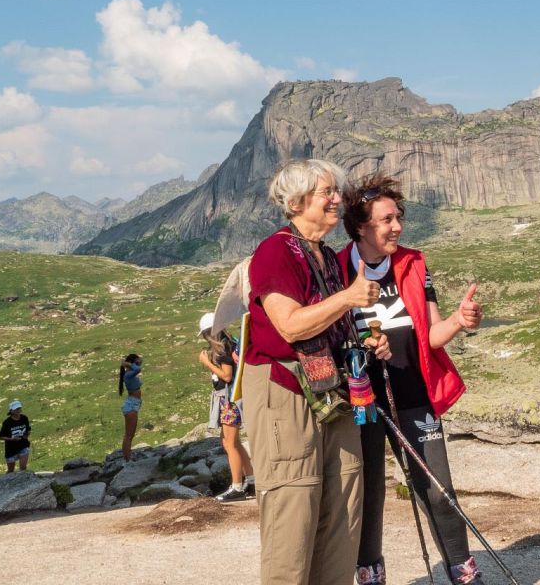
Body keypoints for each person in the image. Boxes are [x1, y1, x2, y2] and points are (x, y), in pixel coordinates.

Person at [242, 158, 391, 585]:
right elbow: (289, 324)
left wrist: (364, 343)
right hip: (286, 392)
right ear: (296, 200)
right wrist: (347, 299)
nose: (336, 199)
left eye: (335, 191)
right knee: (295, 510)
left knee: (344, 507)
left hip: (331, 392)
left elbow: (328, 322)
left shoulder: (325, 255)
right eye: (326, 191)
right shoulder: (274, 252)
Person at [340, 174, 484, 585]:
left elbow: (431, 334)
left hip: (415, 397)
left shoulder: (414, 263)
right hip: (362, 403)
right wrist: (364, 353)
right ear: (360, 225)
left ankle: (464, 574)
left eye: (398, 217)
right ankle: (370, 577)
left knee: (439, 490)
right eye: (387, 219)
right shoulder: (335, 268)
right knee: (368, 497)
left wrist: (459, 321)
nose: (397, 226)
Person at [196, 311, 256, 502]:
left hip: (229, 401)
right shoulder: (230, 343)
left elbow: (227, 376)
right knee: (231, 441)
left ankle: (237, 486)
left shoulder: (222, 350)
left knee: (229, 443)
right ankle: (252, 481)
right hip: (229, 400)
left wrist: (207, 363)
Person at [119, 352, 143, 462]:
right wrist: (126, 363)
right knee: (128, 435)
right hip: (131, 405)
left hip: (134, 404)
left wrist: (129, 363)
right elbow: (138, 369)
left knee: (131, 435)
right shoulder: (128, 374)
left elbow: (139, 366)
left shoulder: (131, 373)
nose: (139, 362)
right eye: (137, 361)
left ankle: (128, 457)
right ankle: (127, 460)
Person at [0, 400, 31, 473]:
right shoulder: (7, 422)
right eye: (16, 409)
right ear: (11, 411)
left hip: (23, 445)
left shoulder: (24, 418)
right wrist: (12, 439)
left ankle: (24, 482)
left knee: (23, 469)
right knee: (10, 471)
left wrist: (27, 435)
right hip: (11, 449)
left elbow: (28, 430)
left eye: (19, 408)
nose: (18, 410)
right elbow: (2, 437)